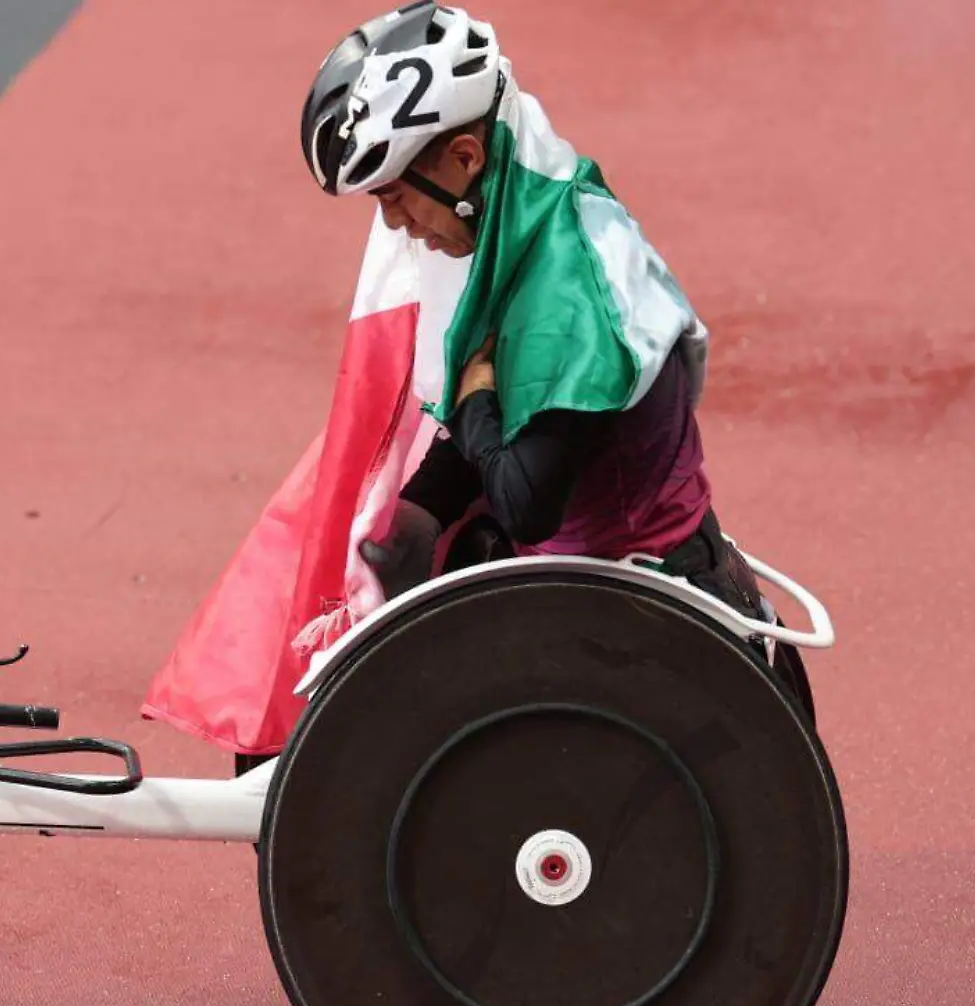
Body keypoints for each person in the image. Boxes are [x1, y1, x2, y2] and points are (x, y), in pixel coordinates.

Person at [301, 1, 772, 629]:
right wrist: (416, 511)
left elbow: (525, 502)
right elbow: (502, 422)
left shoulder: (568, 289)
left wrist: (471, 399)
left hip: (641, 611)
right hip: (592, 575)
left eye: (394, 196)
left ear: (465, 159)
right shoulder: (511, 218)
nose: (394, 224)